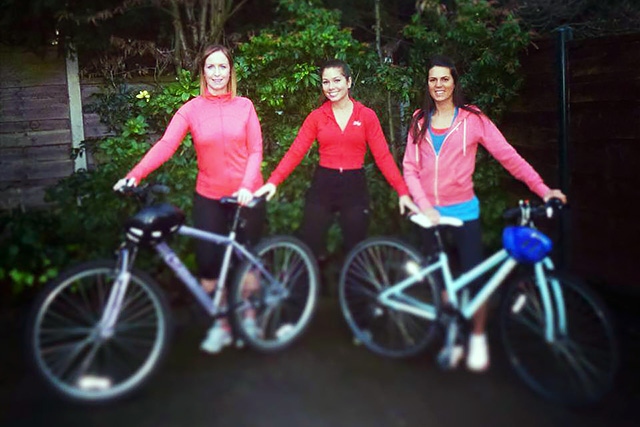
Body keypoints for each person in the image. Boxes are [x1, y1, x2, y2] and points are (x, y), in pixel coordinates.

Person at [402, 55, 566, 372]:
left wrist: (543, 190)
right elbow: (410, 168)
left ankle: (477, 336)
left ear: (454, 82)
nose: (438, 85)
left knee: (474, 282)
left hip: (464, 211)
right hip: (430, 216)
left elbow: (509, 156)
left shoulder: (473, 120)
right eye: (433, 79)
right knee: (442, 286)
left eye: (444, 79)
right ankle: (451, 333)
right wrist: (423, 206)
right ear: (428, 84)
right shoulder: (419, 120)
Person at [113, 44, 265, 354]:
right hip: (208, 195)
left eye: (223, 67)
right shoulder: (191, 109)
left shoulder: (245, 106)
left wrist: (248, 185)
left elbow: (255, 151)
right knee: (209, 267)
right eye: (211, 67)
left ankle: (250, 318)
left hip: (246, 195)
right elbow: (167, 144)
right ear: (203, 72)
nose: (217, 73)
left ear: (231, 72)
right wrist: (136, 174)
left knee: (245, 265)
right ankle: (223, 325)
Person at [255, 59, 417, 275]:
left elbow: (383, 156)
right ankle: (307, 298)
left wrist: (403, 192)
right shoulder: (317, 117)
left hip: (354, 185)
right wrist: (274, 182)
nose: (331, 87)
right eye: (325, 82)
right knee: (308, 245)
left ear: (349, 82)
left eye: (337, 80)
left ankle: (358, 303)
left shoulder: (366, 116)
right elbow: (296, 151)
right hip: (324, 183)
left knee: (356, 250)